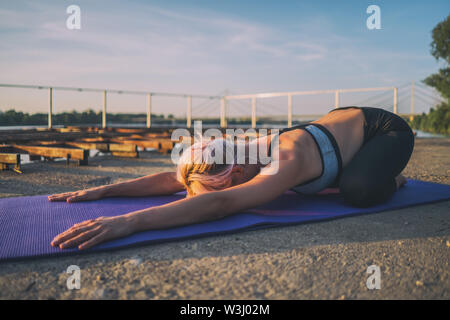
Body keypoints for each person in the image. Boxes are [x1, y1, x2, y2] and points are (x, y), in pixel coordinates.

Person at [49, 106, 414, 250]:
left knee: (357, 189)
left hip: (382, 130)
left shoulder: (285, 158)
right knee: (333, 186)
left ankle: (393, 180)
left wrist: (130, 221)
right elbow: (174, 180)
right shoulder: (229, 159)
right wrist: (107, 190)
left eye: (200, 196)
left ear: (237, 172)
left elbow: (221, 202)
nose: (195, 199)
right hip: (338, 127)